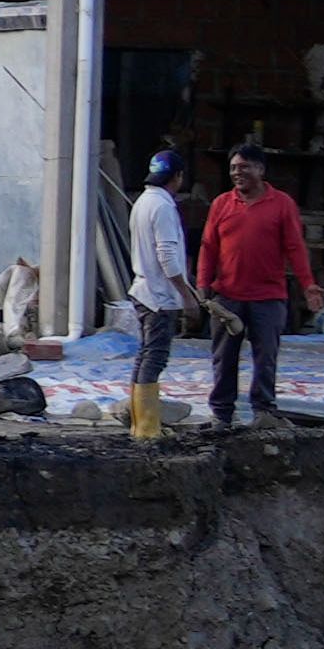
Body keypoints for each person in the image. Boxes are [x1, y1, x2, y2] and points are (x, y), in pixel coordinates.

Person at [199, 144, 318, 430]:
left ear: (261, 170)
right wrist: (202, 283)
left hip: (268, 296)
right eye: (233, 168)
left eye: (244, 167)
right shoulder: (221, 204)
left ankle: (264, 411)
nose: (237, 173)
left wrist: (308, 286)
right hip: (227, 297)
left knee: (265, 357)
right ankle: (222, 414)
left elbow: (295, 248)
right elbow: (208, 247)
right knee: (223, 357)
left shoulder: (282, 204)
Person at [121, 147, 198, 437]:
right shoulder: (163, 207)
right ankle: (147, 428)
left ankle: (139, 424)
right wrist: (187, 295)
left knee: (145, 355)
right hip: (158, 295)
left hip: (144, 289)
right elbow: (167, 257)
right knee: (155, 357)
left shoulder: (143, 202)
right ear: (177, 177)